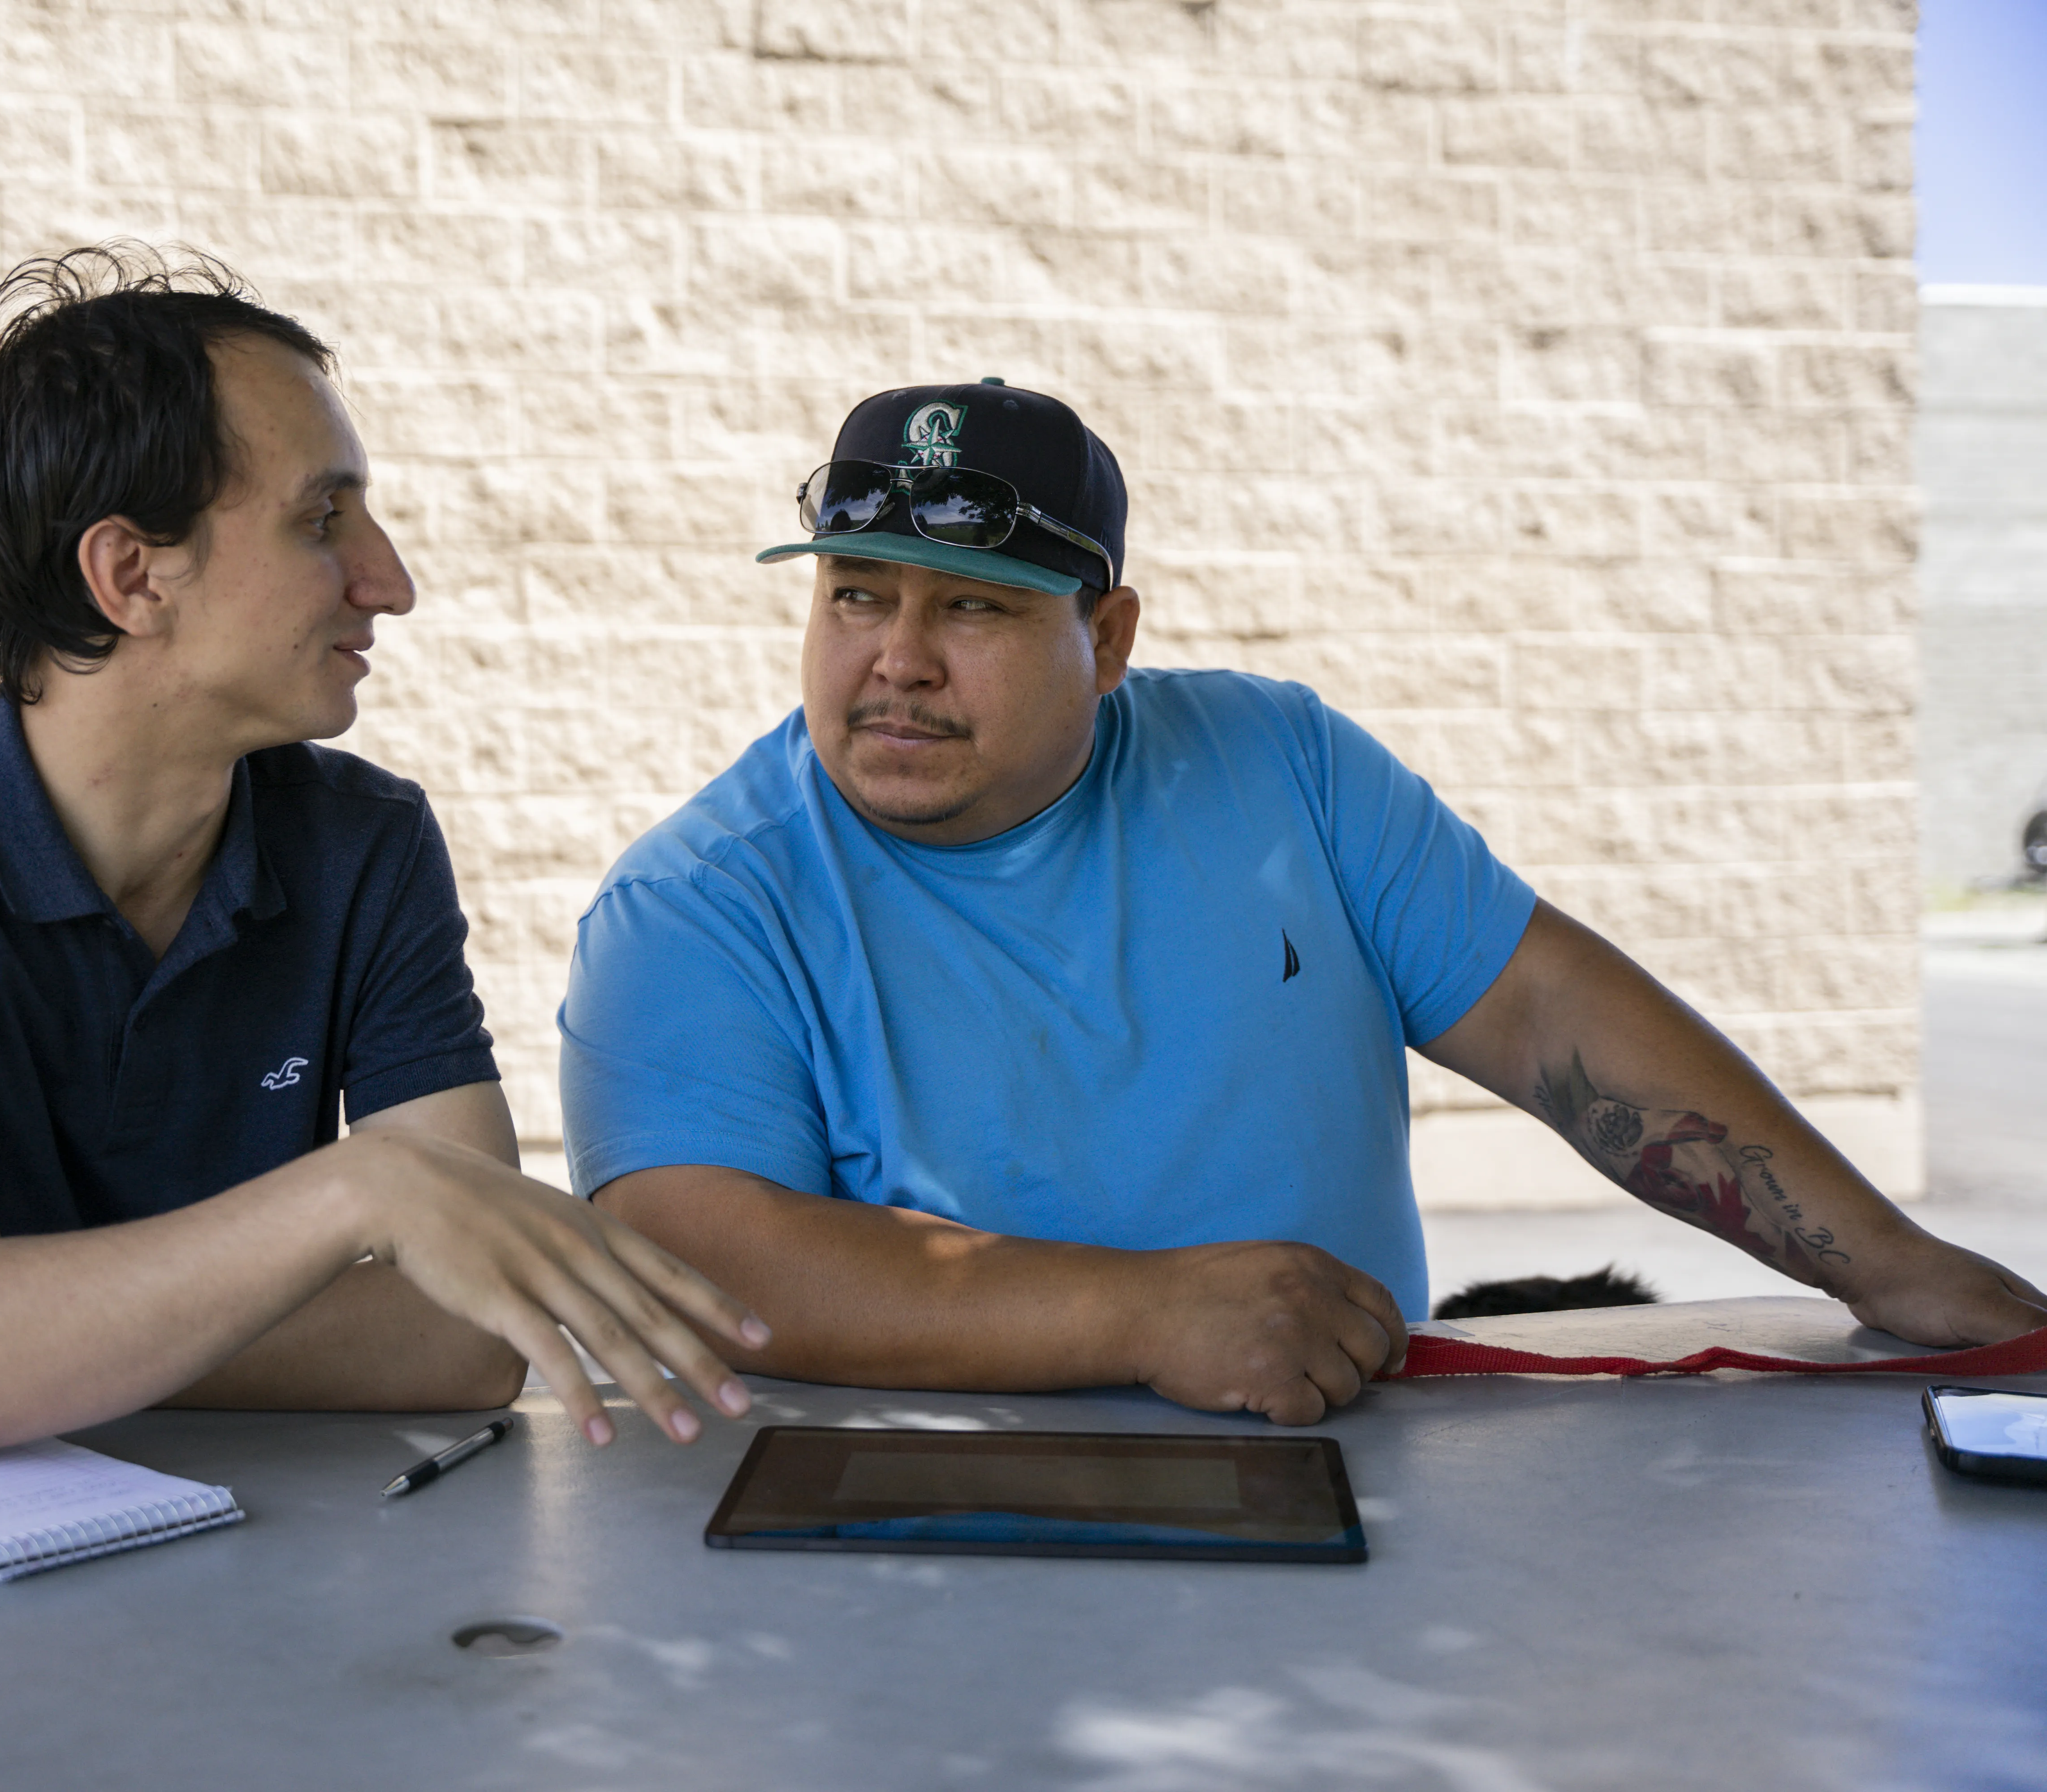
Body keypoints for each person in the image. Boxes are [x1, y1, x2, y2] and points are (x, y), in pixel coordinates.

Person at [558, 378, 2046, 1425]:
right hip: (888, 1517)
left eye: (976, 605)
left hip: (1346, 1464)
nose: (897, 658)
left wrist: (1895, 1264)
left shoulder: (1283, 762)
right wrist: (1142, 1317)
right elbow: (703, 1253)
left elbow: (1543, 1017)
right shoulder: (693, 899)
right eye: (857, 594)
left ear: (1111, 634)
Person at [0, 247, 764, 1461]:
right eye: (324, 518)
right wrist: (357, 1193)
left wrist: (34, 1350)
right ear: (131, 576)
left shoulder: (364, 844)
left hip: (254, 1550)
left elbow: (468, 1340)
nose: (393, 583)